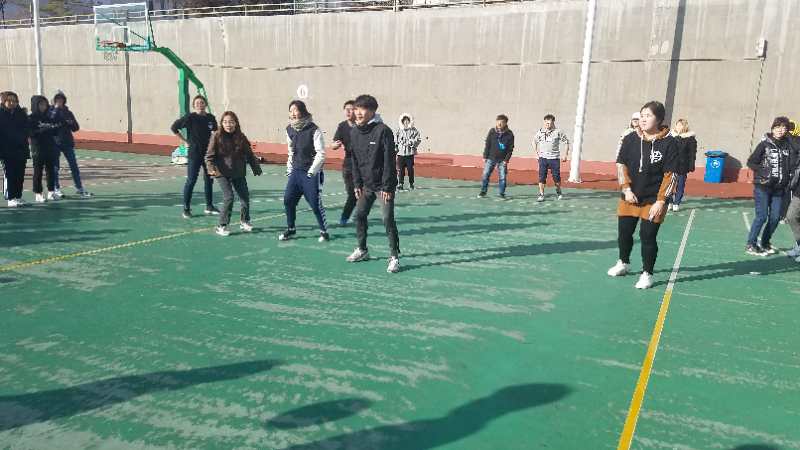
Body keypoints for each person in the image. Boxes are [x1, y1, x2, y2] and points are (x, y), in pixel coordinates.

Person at [608, 101, 678, 289]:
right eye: (642, 115)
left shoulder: (669, 143)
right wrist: (626, 189)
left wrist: (661, 201)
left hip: (653, 200)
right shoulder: (630, 138)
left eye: (648, 115)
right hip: (630, 196)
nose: (643, 119)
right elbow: (621, 164)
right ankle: (623, 263)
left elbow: (671, 174)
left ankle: (647, 273)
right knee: (624, 233)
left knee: (647, 236)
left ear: (659, 119)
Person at [346, 94, 401, 273]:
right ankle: (362, 250)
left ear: (372, 111)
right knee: (359, 215)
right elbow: (354, 160)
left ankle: (394, 257)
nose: (358, 112)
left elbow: (389, 161)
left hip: (383, 187)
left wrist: (387, 186)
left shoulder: (383, 131)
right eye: (356, 109)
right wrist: (357, 184)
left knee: (387, 219)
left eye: (362, 109)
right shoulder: (354, 132)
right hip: (366, 187)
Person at [205, 111, 262, 236]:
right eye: (225, 122)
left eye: (231, 122)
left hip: (238, 172)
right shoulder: (216, 136)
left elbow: (249, 154)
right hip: (222, 172)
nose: (228, 125)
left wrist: (256, 167)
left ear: (236, 123)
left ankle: (244, 221)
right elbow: (209, 157)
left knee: (244, 197)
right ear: (221, 123)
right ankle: (222, 225)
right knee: (229, 197)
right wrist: (211, 168)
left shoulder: (241, 137)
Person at [278, 100, 329, 242]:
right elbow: (291, 151)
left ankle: (324, 231)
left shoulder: (314, 129)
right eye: (290, 111)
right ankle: (291, 228)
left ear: (302, 111)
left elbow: (321, 153)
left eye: (295, 110)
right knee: (288, 200)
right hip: (296, 172)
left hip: (311, 173)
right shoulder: (289, 129)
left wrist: (312, 172)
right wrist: (289, 169)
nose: (293, 113)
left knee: (314, 203)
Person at [745, 116, 796, 256]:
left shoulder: (788, 146)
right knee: (761, 216)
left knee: (775, 218)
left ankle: (765, 242)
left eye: (784, 128)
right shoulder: (764, 144)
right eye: (778, 127)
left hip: (779, 189)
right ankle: (751, 244)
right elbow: (751, 162)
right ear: (773, 128)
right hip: (763, 187)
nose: (781, 130)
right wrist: (763, 171)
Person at [171, 95, 219, 218]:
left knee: (209, 179)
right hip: (194, 153)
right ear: (194, 105)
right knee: (191, 180)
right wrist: (185, 141)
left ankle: (209, 206)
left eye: (202, 102)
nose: (200, 105)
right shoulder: (190, 117)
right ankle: (186, 209)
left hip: (208, 154)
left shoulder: (210, 118)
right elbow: (174, 128)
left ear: (205, 104)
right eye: (197, 103)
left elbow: (216, 132)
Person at [50, 90, 91, 198]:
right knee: (55, 167)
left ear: (64, 100)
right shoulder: (51, 111)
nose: (59, 101)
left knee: (74, 166)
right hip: (55, 143)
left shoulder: (68, 112)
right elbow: (51, 121)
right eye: (57, 99)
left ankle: (79, 188)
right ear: (54, 100)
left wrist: (71, 123)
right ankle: (56, 188)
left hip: (67, 142)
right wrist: (56, 109)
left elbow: (76, 128)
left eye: (61, 99)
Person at [29, 95, 61, 203]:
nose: (43, 106)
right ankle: (38, 193)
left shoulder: (48, 118)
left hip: (49, 147)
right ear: (36, 105)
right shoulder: (31, 118)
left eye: (45, 104)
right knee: (38, 171)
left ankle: (51, 192)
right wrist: (40, 131)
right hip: (38, 148)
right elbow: (30, 133)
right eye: (41, 104)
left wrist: (56, 127)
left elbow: (54, 132)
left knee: (50, 170)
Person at [0, 91, 30, 207]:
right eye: (9, 100)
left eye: (14, 101)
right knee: (10, 175)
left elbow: (27, 128)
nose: (12, 103)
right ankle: (10, 198)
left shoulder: (21, 114)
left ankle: (18, 196)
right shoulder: (1, 114)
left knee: (20, 175)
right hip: (6, 151)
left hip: (21, 149)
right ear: (4, 101)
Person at [533, 114, 570, 202]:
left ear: (553, 122)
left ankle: (559, 192)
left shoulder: (558, 132)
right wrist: (536, 153)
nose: (547, 125)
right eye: (546, 123)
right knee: (542, 177)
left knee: (556, 177)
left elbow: (566, 142)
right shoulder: (540, 132)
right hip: (543, 158)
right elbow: (534, 141)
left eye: (549, 123)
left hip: (554, 159)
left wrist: (565, 155)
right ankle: (541, 194)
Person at [332, 100, 357, 226]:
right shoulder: (342, 126)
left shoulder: (363, 126)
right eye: (346, 109)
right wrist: (335, 145)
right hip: (348, 166)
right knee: (352, 194)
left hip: (362, 166)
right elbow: (333, 144)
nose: (348, 111)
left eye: (351, 109)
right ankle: (344, 217)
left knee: (363, 194)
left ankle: (359, 214)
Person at [478, 115, 514, 199]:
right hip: (491, 158)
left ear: (505, 123)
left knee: (502, 177)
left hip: (502, 160)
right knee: (485, 174)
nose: (499, 124)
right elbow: (488, 144)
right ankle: (483, 192)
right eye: (498, 122)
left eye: (502, 122)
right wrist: (485, 156)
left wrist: (506, 160)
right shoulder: (492, 131)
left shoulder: (510, 134)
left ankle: (501, 193)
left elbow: (510, 149)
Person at [669, 118, 697, 212]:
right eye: (677, 125)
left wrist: (691, 165)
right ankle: (669, 201)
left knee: (680, 184)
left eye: (680, 125)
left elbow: (692, 153)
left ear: (684, 126)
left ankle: (676, 203)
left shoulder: (690, 138)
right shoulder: (671, 136)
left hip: (682, 165)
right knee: (669, 184)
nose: (678, 127)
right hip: (671, 164)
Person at [395, 113, 421, 191]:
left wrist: (411, 142)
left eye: (407, 121)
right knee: (400, 170)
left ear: (409, 122)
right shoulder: (399, 130)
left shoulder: (414, 130)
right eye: (404, 121)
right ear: (402, 122)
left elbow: (418, 139)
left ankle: (411, 183)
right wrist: (396, 147)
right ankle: (400, 183)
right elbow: (395, 140)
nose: (406, 122)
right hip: (401, 154)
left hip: (409, 153)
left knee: (410, 169)